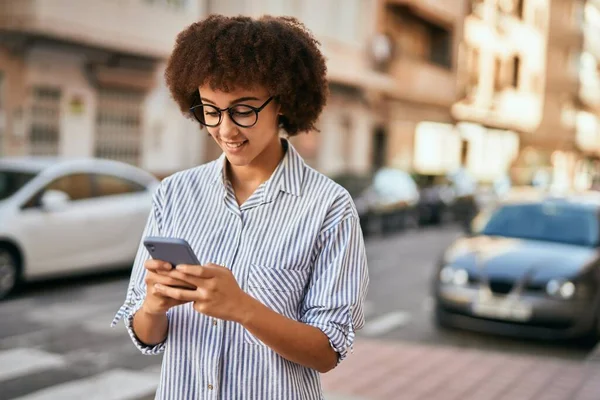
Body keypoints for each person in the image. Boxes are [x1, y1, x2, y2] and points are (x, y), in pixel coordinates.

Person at [112, 14, 369, 400]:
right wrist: (153, 307)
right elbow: (147, 336)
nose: (225, 130)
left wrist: (243, 308)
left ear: (281, 101)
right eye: (210, 110)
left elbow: (327, 352)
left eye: (243, 110)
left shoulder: (328, 207)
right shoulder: (175, 194)